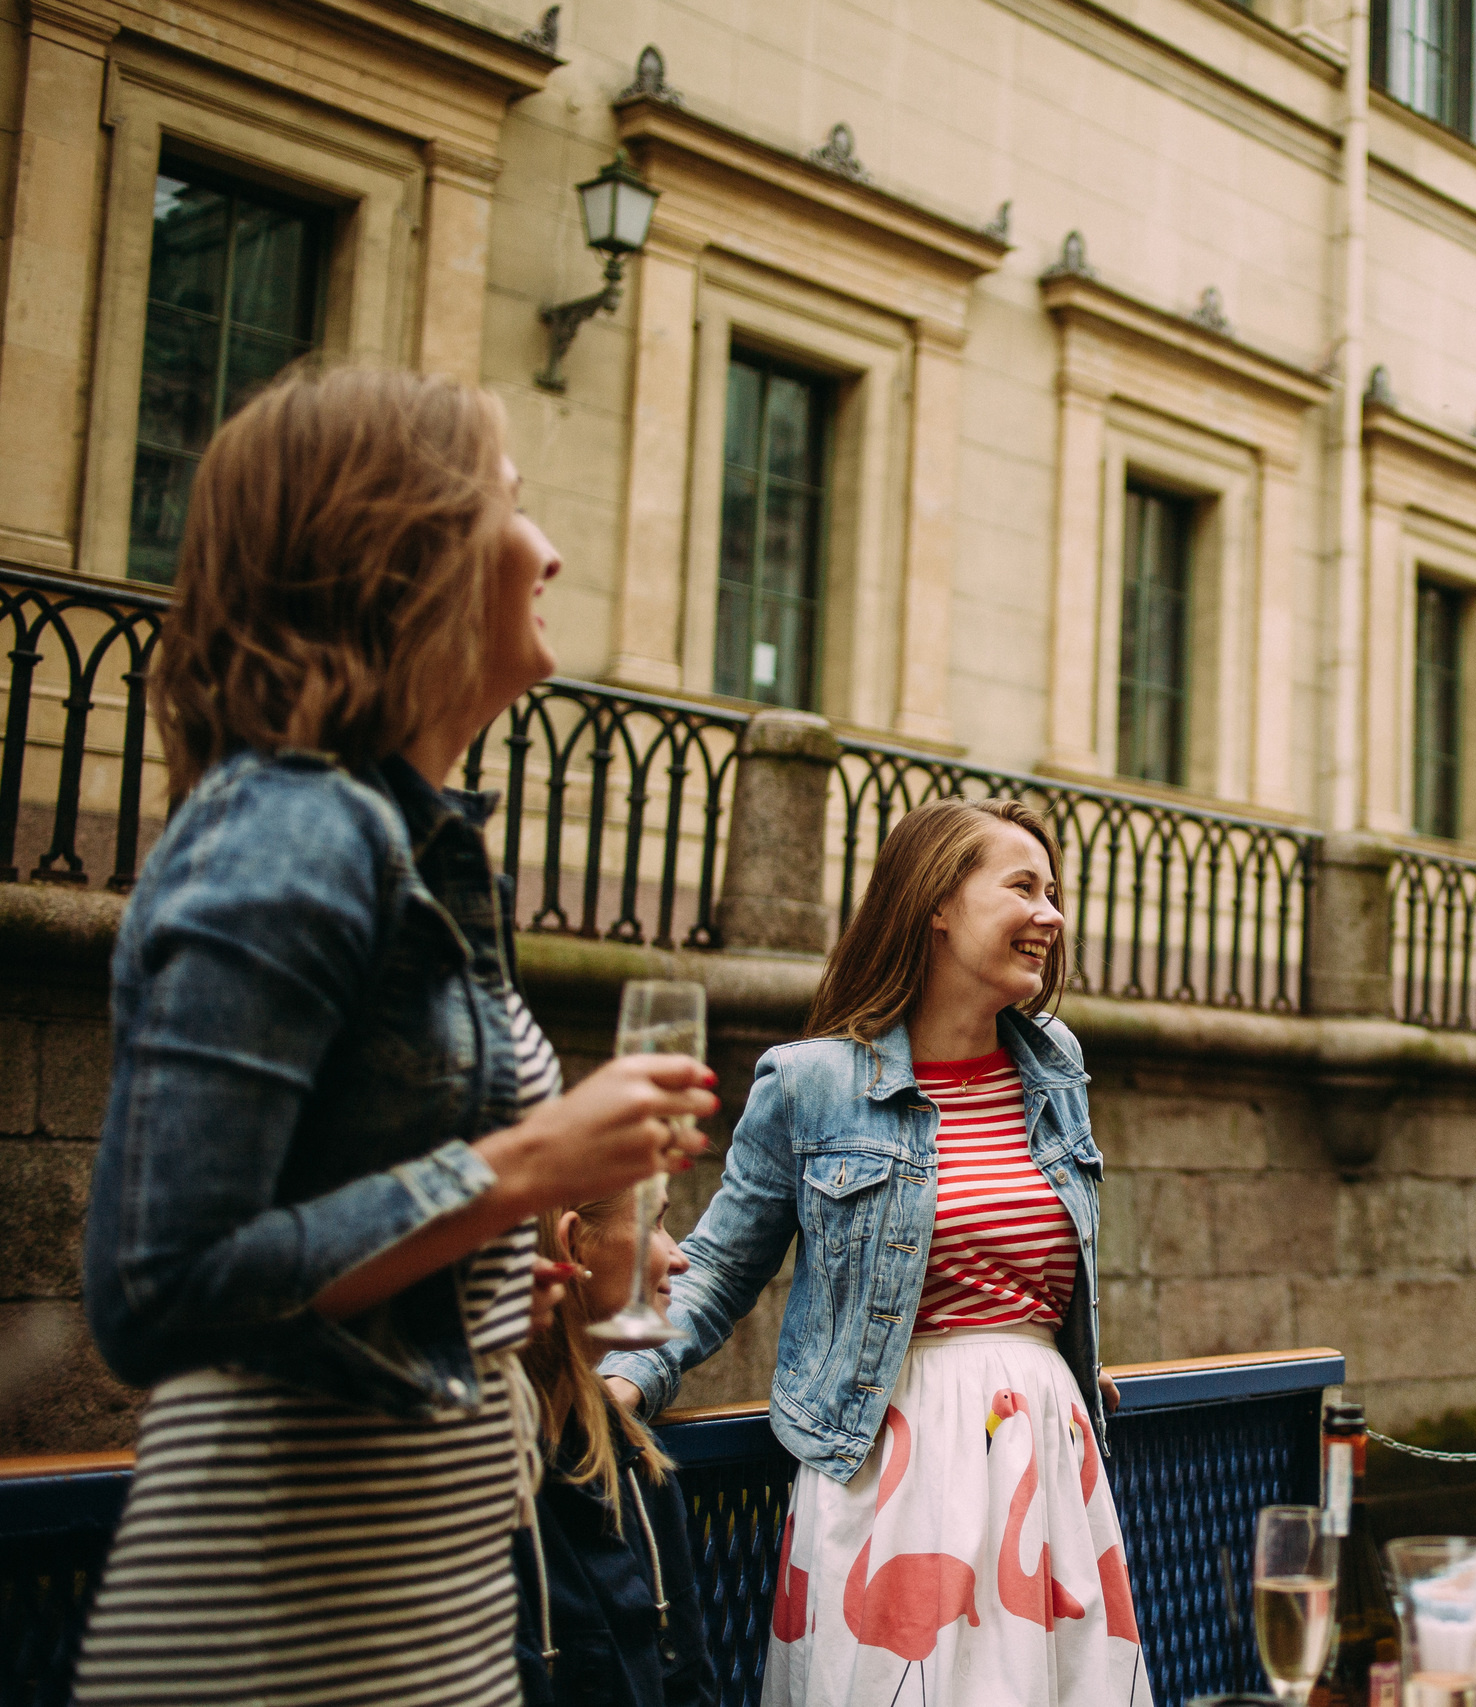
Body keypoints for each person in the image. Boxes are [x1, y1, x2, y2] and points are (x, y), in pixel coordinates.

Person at [75, 365, 717, 1706]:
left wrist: (482, 1278)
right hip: (277, 1632)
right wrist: (524, 1169)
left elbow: (343, 1233)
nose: (546, 550)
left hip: (418, 1621)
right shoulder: (290, 827)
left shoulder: (395, 830)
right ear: (404, 552)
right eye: (510, 509)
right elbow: (161, 1284)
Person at [598, 797, 1150, 1707]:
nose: (1051, 915)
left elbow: (1045, 1275)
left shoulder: (1055, 1064)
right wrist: (628, 1378)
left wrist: (1060, 1361)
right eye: (1023, 887)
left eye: (1055, 892)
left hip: (1049, 1460)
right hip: (894, 1462)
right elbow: (720, 1267)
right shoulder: (812, 1081)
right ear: (937, 903)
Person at [513, 1187, 713, 1707]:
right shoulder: (490, 1485)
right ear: (575, 1245)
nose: (681, 1257)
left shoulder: (638, 1465)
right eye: (655, 1222)